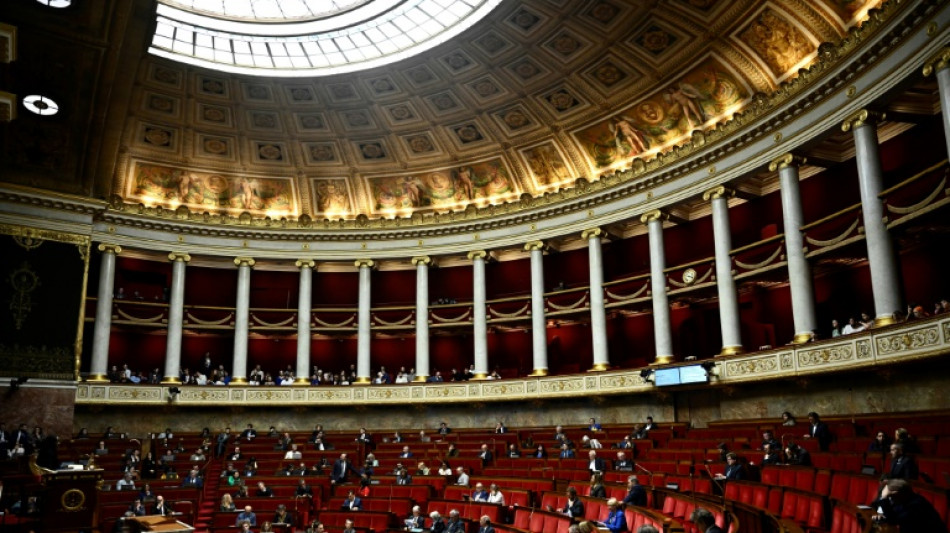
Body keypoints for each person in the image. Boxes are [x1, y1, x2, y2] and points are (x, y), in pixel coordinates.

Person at [870, 478, 945, 531]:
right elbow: (893, 516)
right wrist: (882, 517)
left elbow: (893, 520)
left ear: (897, 494)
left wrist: (884, 498)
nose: (890, 500)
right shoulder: (906, 500)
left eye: (890, 497)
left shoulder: (916, 505)